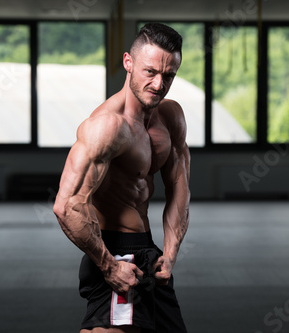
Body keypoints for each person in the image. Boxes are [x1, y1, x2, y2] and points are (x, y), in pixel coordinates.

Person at [53, 22, 190, 333]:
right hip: (115, 251)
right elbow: (66, 205)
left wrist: (169, 253)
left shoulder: (171, 118)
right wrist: (108, 265)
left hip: (148, 250)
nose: (158, 84)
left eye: (168, 76)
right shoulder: (107, 127)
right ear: (129, 63)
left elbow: (179, 188)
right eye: (150, 72)